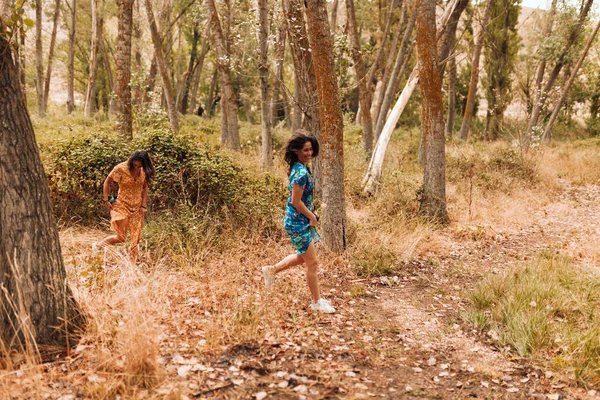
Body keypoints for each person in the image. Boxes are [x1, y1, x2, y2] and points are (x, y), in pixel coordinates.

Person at [262, 130, 335, 314]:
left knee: (303, 257)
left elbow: (302, 199)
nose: (309, 153)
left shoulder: (299, 167)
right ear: (296, 151)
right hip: (297, 223)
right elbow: (296, 201)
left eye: (310, 150)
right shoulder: (300, 172)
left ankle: (271, 270)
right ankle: (317, 302)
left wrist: (311, 213)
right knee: (313, 263)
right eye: (305, 150)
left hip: (300, 220)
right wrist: (311, 216)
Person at [92, 150, 154, 264]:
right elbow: (107, 182)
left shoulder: (144, 170)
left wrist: (143, 205)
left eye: (139, 166)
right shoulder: (121, 168)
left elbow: (145, 187)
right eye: (135, 165)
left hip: (137, 207)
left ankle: (132, 265)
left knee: (135, 239)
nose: (137, 168)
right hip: (121, 204)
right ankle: (97, 246)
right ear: (131, 161)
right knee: (121, 237)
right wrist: (106, 199)